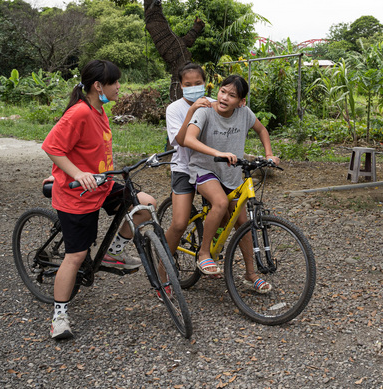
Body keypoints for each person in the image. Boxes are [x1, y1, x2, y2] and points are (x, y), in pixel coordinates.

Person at [42, 60, 156, 340]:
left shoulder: (99, 110)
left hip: (101, 186)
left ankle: (113, 252)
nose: (119, 87)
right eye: (115, 82)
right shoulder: (79, 112)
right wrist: (77, 174)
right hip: (76, 196)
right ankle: (59, 316)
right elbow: (52, 147)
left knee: (145, 204)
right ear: (98, 86)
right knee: (76, 255)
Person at [182, 74, 280, 291]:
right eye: (222, 91)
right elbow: (188, 139)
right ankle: (204, 253)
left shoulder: (244, 113)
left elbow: (262, 130)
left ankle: (250, 274)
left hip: (231, 173)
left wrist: (269, 154)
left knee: (243, 224)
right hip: (204, 169)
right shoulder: (205, 110)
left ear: (241, 101)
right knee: (220, 203)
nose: (224, 97)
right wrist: (218, 152)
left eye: (232, 95)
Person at [163, 63, 213, 261]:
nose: (194, 87)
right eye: (188, 84)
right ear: (181, 86)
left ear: (205, 83)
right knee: (179, 223)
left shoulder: (214, 103)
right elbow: (180, 141)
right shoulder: (174, 109)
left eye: (198, 83)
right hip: (183, 168)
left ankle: (208, 254)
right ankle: (163, 263)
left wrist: (239, 104)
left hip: (210, 168)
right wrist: (192, 110)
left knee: (222, 214)